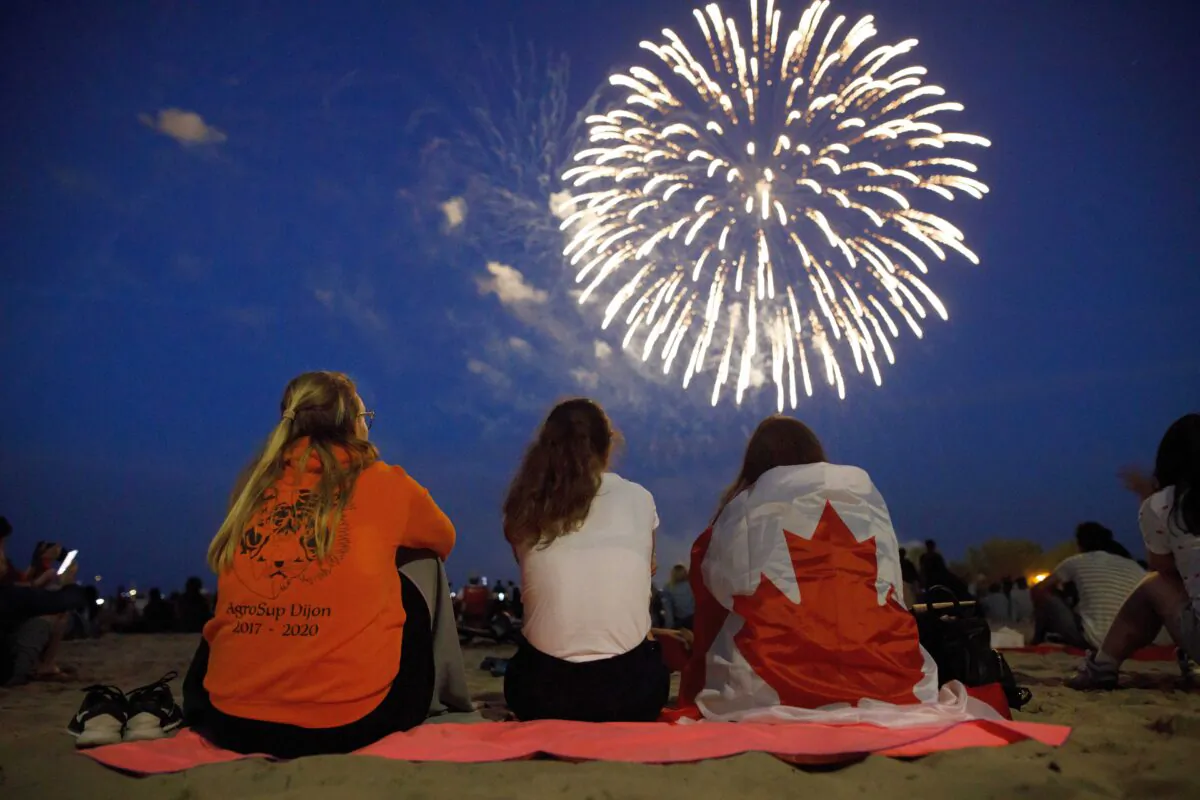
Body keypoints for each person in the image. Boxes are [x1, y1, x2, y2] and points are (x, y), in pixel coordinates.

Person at [181, 371, 456, 757]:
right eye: (365, 417)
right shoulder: (386, 482)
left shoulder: (254, 486)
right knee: (421, 563)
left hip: (227, 721)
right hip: (349, 723)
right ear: (353, 424)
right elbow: (444, 538)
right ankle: (448, 691)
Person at [678, 416, 968, 722]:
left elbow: (713, 599)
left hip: (771, 683)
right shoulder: (868, 500)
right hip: (894, 679)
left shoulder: (739, 511)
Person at [501, 398, 668, 722]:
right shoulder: (639, 497)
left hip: (540, 694)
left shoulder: (523, 506)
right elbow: (648, 570)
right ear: (608, 446)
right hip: (632, 696)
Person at [1069, 414, 1200, 689]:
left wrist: (1147, 498)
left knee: (1154, 584)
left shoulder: (1165, 505)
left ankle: (1102, 665)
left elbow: (1163, 569)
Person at [1032, 522, 1146, 650]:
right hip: (1134, 643)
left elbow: (1039, 589)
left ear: (1080, 543)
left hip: (1096, 641)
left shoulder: (1076, 562)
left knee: (1044, 594)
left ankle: (1037, 639)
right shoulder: (1135, 567)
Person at [662, 564, 695, 631]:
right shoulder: (692, 585)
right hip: (694, 619)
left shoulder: (668, 588)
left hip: (681, 622)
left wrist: (669, 628)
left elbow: (668, 611)